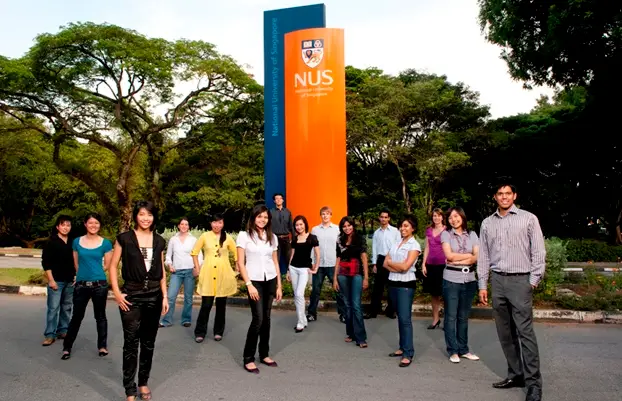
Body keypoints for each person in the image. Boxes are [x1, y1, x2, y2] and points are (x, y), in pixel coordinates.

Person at [478, 183, 546, 401]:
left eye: (508, 193)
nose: (504, 197)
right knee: (505, 333)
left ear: (514, 196)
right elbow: (484, 257)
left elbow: (538, 251)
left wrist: (532, 281)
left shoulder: (528, 219)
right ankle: (516, 374)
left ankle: (534, 384)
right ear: (495, 197)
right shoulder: (487, 223)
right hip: (498, 282)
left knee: (525, 333)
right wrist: (482, 284)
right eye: (500, 194)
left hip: (520, 281)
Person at [109, 201, 169, 401]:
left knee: (149, 343)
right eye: (142, 214)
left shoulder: (159, 241)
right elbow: (112, 266)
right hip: (131, 296)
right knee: (131, 343)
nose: (145, 218)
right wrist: (117, 293)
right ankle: (130, 389)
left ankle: (143, 382)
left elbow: (161, 272)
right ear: (136, 216)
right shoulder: (124, 239)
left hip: (154, 296)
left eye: (149, 215)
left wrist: (165, 296)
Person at [236, 205, 283, 373]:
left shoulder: (273, 237)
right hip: (254, 281)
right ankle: (248, 357)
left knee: (267, 319)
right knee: (258, 319)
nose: (262, 219)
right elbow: (241, 263)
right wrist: (248, 285)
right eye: (259, 216)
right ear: (253, 218)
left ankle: (264, 354)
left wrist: (279, 284)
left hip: (270, 280)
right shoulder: (244, 236)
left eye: (265, 217)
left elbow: (275, 262)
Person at [61, 213, 113, 360]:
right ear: (85, 224)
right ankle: (67, 347)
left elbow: (108, 264)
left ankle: (102, 346)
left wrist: (96, 273)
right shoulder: (77, 242)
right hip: (81, 285)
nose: (93, 226)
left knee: (100, 316)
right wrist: (83, 275)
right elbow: (76, 263)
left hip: (99, 285)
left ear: (100, 225)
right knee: (76, 317)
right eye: (90, 223)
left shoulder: (106, 243)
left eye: (96, 223)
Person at [440, 207, 480, 364]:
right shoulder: (446, 234)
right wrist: (468, 256)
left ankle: (463, 349)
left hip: (469, 279)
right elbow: (448, 255)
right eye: (450, 217)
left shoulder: (472, 234)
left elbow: (476, 257)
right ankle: (453, 350)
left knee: (463, 317)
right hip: (451, 279)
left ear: (462, 217)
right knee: (451, 317)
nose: (453, 220)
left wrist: (461, 259)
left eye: (456, 216)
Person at [192, 213, 238, 343]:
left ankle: (218, 331)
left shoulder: (228, 238)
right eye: (215, 222)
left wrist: (237, 269)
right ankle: (200, 332)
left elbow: (236, 254)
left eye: (220, 222)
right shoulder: (204, 236)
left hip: (224, 275)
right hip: (207, 274)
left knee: (221, 305)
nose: (217, 225)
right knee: (206, 305)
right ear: (211, 223)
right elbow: (194, 252)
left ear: (223, 224)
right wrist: (197, 268)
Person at [383, 216, 421, 367]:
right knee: (399, 317)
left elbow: (406, 267)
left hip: (406, 284)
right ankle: (402, 347)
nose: (403, 228)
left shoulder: (415, 245)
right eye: (401, 226)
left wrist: (393, 264)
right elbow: (385, 264)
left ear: (413, 228)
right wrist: (395, 265)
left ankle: (408, 353)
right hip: (393, 282)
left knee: (405, 319)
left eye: (406, 226)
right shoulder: (396, 242)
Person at [333, 216, 369, 348]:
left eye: (349, 225)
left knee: (356, 305)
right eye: (344, 226)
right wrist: (335, 278)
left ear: (353, 226)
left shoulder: (359, 238)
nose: (347, 228)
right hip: (342, 275)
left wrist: (366, 277)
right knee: (347, 305)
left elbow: (364, 258)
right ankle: (350, 333)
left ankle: (361, 337)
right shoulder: (339, 240)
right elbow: (338, 259)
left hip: (356, 274)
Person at [307, 206, 346, 322]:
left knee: (338, 290)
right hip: (319, 265)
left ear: (331, 215)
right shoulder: (315, 230)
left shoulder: (337, 230)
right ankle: (311, 313)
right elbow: (312, 248)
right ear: (321, 215)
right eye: (323, 214)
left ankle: (343, 314)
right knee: (315, 290)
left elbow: (341, 247)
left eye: (327, 214)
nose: (325, 216)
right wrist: (312, 262)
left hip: (333, 264)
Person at [160, 217, 199, 328]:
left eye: (186, 224)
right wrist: (169, 265)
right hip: (176, 272)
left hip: (189, 271)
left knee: (188, 297)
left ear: (189, 227)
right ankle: (166, 320)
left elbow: (198, 255)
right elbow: (168, 256)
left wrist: (197, 268)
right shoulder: (173, 239)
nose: (184, 226)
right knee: (171, 296)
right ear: (178, 226)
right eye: (182, 224)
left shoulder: (193, 240)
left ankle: (186, 319)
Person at [41, 215, 74, 346]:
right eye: (63, 225)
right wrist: (51, 280)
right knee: (53, 308)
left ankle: (63, 330)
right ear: (57, 227)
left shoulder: (73, 242)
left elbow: (76, 261)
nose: (65, 228)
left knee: (67, 307)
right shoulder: (51, 242)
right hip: (56, 280)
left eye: (68, 225)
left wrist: (76, 275)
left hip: (70, 280)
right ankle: (50, 334)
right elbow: (46, 263)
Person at [287, 215, 319, 332]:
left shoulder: (312, 238)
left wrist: (316, 267)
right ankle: (302, 320)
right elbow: (292, 254)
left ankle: (301, 322)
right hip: (293, 268)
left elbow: (317, 254)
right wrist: (288, 270)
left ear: (305, 224)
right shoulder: (294, 239)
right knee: (296, 295)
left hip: (304, 269)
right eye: (296, 225)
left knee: (300, 294)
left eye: (301, 224)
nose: (299, 227)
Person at [366, 209, 400, 319]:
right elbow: (375, 248)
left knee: (391, 286)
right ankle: (373, 311)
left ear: (389, 218)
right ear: (379, 218)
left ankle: (391, 311)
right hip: (380, 260)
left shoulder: (395, 231)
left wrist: (396, 262)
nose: (384, 219)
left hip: (392, 259)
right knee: (377, 287)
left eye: (386, 217)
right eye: (382, 217)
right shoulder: (376, 233)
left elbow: (399, 246)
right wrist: (375, 264)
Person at [421, 208, 446, 329]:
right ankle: (435, 319)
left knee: (445, 294)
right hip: (431, 265)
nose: (436, 218)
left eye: (438, 216)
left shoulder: (447, 230)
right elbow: (427, 247)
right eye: (434, 216)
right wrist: (423, 264)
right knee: (434, 294)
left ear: (442, 217)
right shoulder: (429, 230)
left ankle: (448, 320)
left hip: (443, 266)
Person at [270, 193, 293, 276]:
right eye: (277, 199)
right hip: (275, 239)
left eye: (280, 198)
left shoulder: (287, 212)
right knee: (276, 259)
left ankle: (290, 277)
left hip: (286, 239)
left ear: (283, 200)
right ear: (274, 201)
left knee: (289, 258)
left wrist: (294, 240)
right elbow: (268, 226)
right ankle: (276, 278)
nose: (278, 200)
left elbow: (291, 226)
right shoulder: (271, 212)